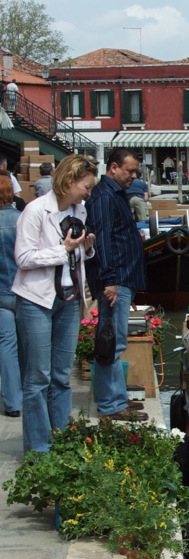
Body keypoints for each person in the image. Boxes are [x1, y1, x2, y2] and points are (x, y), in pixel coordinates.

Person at [13, 154, 98, 452]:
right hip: (35, 301)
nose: (89, 192)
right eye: (85, 186)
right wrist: (62, 250)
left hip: (68, 299)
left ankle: (61, 443)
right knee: (37, 378)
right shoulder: (35, 211)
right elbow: (23, 258)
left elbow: (73, 258)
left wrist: (85, 250)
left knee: (61, 376)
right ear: (69, 180)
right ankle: (38, 451)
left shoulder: (81, 211)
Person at [85, 147, 148, 422]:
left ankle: (117, 399)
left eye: (136, 172)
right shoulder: (104, 197)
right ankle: (111, 405)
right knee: (111, 342)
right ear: (113, 167)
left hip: (121, 278)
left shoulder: (113, 194)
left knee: (114, 340)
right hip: (115, 280)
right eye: (129, 170)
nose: (133, 176)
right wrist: (109, 280)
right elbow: (102, 241)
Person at [0, 173, 22, 417]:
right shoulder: (21, 220)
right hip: (23, 291)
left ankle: (13, 402)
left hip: (0, 294)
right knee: (28, 346)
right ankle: (29, 394)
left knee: (6, 346)